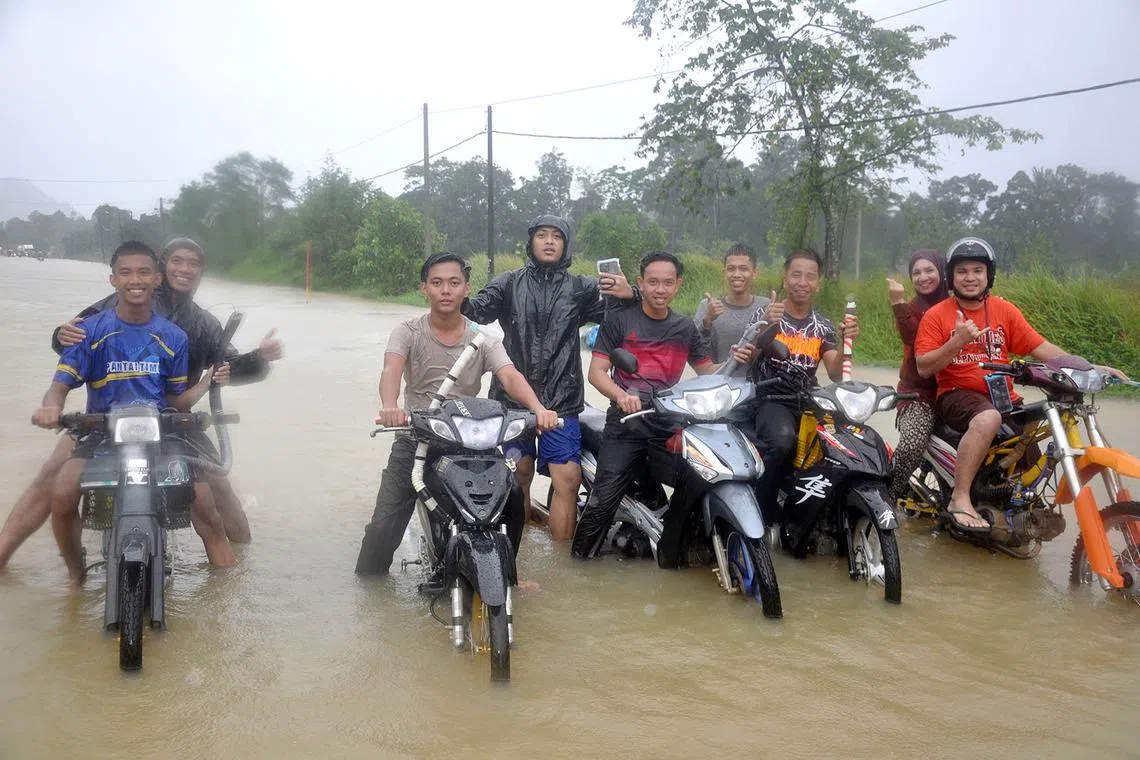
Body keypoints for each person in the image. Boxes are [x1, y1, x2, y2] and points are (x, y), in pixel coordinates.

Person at [0, 239, 281, 570]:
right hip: (105, 418)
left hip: (173, 418)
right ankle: (4, 554)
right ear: (161, 269)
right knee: (52, 475)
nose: (185, 269)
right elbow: (74, 337)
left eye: (194, 263)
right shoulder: (132, 292)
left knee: (219, 491)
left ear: (200, 271)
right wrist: (58, 334)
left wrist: (259, 358)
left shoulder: (204, 324)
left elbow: (226, 367)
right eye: (177, 261)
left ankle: (244, 572)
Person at [29, 241, 234, 587]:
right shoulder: (89, 331)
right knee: (62, 493)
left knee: (206, 507)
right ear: (112, 280)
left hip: (161, 432)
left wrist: (208, 383)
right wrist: (52, 408)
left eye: (143, 273)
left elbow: (176, 401)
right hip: (101, 432)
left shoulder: (174, 337)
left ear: (157, 280)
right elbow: (60, 385)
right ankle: (76, 575)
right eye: (125, 273)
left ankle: (230, 597)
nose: (134, 280)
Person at [355, 252, 559, 575]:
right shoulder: (407, 331)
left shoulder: (483, 339)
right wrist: (390, 406)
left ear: (467, 288)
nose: (446, 290)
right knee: (382, 528)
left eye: (454, 282)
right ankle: (368, 593)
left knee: (513, 500)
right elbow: (390, 370)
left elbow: (509, 375)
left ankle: (509, 576)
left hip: (470, 443)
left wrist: (539, 409)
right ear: (424, 289)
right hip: (416, 438)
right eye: (437, 283)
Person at [915, 237, 1127, 532]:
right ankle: (960, 497)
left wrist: (1089, 367)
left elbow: (1041, 348)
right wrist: (958, 340)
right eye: (962, 271)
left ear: (989, 274)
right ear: (951, 277)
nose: (970, 277)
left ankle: (1019, 504)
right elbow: (924, 367)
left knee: (1037, 424)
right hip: (957, 395)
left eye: (977, 270)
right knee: (988, 417)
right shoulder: (936, 315)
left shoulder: (1004, 310)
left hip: (1004, 398)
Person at [462, 215, 635, 542]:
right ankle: (517, 552)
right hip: (512, 400)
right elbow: (475, 312)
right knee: (518, 475)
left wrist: (629, 294)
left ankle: (562, 565)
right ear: (531, 242)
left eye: (557, 236)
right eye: (542, 235)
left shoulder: (581, 287)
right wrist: (457, 290)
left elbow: (618, 318)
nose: (549, 241)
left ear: (565, 245)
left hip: (562, 401)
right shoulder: (508, 282)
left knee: (568, 480)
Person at [570, 251, 716, 559]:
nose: (660, 290)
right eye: (653, 282)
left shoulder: (685, 328)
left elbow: (709, 374)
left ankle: (673, 548)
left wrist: (746, 357)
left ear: (678, 285)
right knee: (603, 502)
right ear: (640, 283)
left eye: (667, 283)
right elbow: (596, 373)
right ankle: (580, 564)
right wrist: (621, 396)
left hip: (668, 423)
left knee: (703, 475)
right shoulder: (619, 321)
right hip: (626, 423)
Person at [736, 248, 859, 519]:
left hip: (808, 399)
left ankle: (822, 511)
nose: (802, 282)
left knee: (845, 441)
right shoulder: (766, 315)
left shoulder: (823, 326)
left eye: (810, 277)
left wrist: (847, 343)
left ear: (818, 282)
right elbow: (748, 359)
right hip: (769, 398)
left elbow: (836, 374)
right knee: (783, 442)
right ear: (785, 278)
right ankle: (760, 508)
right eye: (796, 275)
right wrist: (768, 326)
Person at [885, 249, 949, 506]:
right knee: (911, 445)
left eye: (929, 270)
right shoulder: (910, 308)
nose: (923, 277)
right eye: (916, 273)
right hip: (918, 393)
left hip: (955, 390)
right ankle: (886, 498)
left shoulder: (959, 303)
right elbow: (912, 337)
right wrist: (898, 303)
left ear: (942, 272)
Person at [693, 243, 771, 363]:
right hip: (717, 379)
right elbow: (695, 352)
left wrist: (772, 322)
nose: (736, 275)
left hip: (756, 381)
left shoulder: (766, 307)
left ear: (755, 273)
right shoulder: (707, 306)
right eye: (731, 269)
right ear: (724, 273)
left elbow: (774, 353)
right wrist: (707, 321)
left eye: (743, 269)